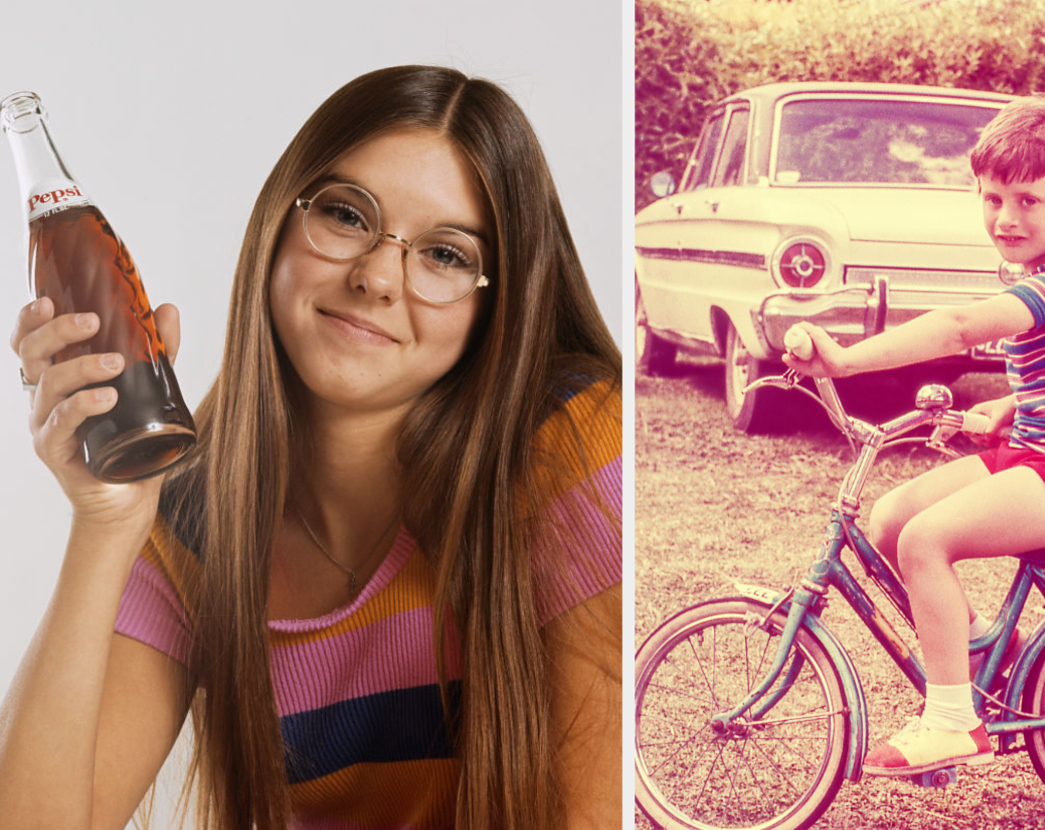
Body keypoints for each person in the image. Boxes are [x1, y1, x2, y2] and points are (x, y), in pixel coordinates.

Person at [2, 65, 622, 830]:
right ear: (277, 222)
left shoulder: (576, 448)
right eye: (347, 215)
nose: (377, 278)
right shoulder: (194, 527)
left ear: (501, 302)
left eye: (446, 255)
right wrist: (105, 522)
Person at [784, 93, 1045, 777]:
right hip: (1042, 451)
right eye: (992, 198)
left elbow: (955, 329)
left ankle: (953, 722)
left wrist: (847, 360)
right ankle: (984, 649)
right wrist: (1013, 405)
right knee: (889, 519)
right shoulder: (1044, 274)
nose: (1006, 218)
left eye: (1028, 201)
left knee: (926, 540)